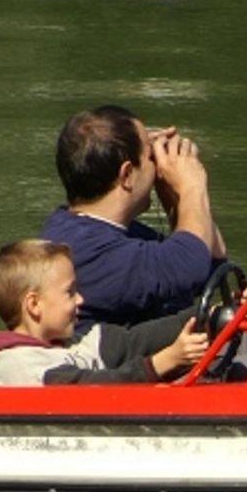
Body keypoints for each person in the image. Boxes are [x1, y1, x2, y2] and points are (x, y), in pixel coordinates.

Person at [39, 104, 225, 329]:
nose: (157, 165)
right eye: (150, 156)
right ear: (127, 174)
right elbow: (188, 266)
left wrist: (175, 198)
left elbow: (209, 265)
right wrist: (192, 185)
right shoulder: (89, 252)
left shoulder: (81, 227)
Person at [0, 238, 208, 387]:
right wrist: (165, 361)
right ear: (34, 305)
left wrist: (207, 315)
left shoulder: (75, 343)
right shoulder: (26, 367)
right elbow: (94, 386)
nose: (81, 299)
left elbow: (134, 342)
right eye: (70, 292)